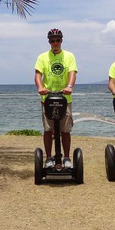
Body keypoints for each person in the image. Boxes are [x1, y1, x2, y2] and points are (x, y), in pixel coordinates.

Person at [34, 28, 77, 168]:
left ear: (61, 41)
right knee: (48, 129)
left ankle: (66, 158)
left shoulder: (69, 56)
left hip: (65, 99)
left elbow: (72, 72)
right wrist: (40, 88)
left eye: (58, 40)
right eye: (53, 41)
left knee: (65, 130)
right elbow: (38, 74)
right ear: (49, 42)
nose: (55, 43)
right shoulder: (42, 57)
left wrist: (69, 86)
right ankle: (48, 158)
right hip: (47, 98)